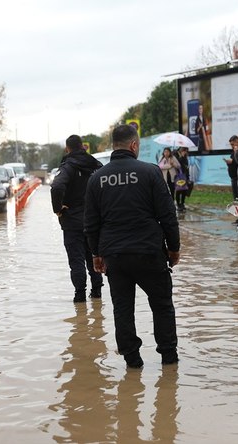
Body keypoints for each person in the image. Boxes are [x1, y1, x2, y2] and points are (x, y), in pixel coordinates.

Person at [84, 124, 180, 369]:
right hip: (149, 252)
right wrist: (174, 247)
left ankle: (132, 361)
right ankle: (169, 359)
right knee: (162, 305)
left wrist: (96, 254)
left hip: (115, 255)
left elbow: (91, 222)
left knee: (122, 308)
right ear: (134, 145)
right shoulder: (150, 172)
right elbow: (168, 214)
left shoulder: (97, 178)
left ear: (113, 145)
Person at [50, 134, 104, 302]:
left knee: (76, 260)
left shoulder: (68, 166)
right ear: (83, 146)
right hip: (94, 221)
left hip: (73, 221)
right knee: (94, 256)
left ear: (68, 148)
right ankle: (97, 293)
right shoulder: (97, 165)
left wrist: (58, 209)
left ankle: (80, 296)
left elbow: (56, 187)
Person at [173, 147, 190, 211]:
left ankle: (182, 203)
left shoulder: (185, 157)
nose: (185, 152)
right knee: (178, 190)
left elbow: (186, 167)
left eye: (186, 151)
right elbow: (178, 165)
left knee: (184, 190)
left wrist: (188, 177)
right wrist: (181, 157)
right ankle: (178, 204)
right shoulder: (175, 155)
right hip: (178, 176)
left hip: (184, 176)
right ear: (181, 150)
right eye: (184, 151)